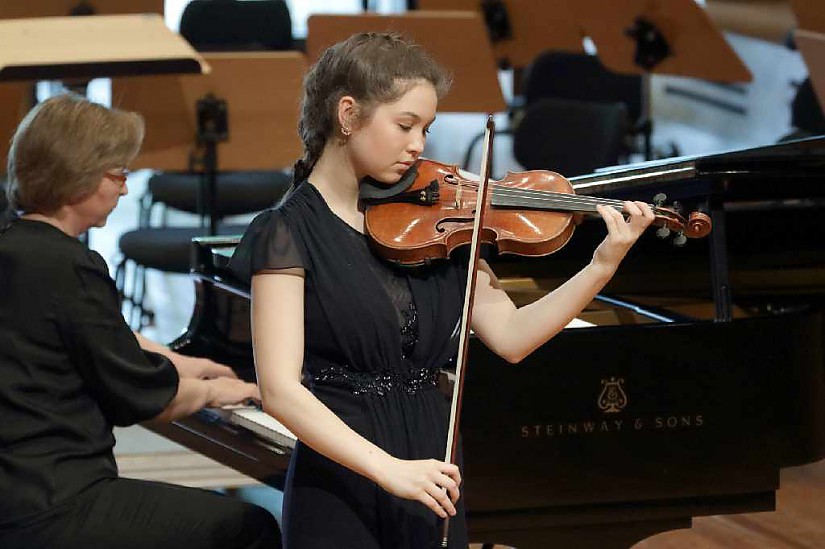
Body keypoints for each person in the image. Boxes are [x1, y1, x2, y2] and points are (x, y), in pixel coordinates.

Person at [230, 32, 654, 548]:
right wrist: (389, 471)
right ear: (347, 115)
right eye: (405, 125)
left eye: (425, 129)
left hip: (433, 476)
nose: (419, 146)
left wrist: (601, 265)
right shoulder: (286, 233)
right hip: (344, 483)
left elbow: (512, 337)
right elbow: (279, 391)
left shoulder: (437, 225)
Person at [0, 94, 281, 549]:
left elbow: (107, 339)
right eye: (118, 174)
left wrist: (185, 362)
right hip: (58, 503)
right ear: (78, 177)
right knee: (251, 529)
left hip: (16, 493)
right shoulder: (71, 265)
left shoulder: (15, 246)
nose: (125, 190)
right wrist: (220, 390)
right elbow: (143, 396)